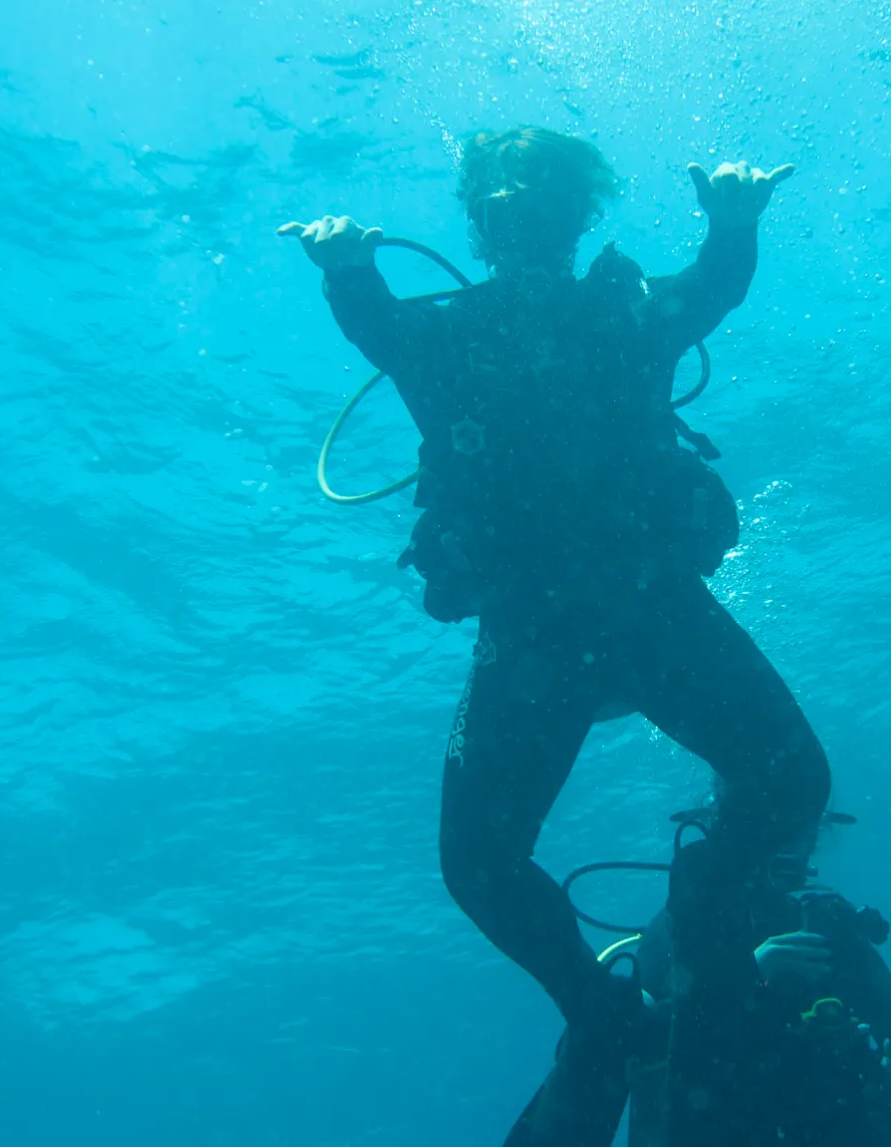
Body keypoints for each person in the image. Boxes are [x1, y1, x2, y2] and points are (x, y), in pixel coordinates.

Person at [282, 129, 829, 1059]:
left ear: (580, 217)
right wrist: (343, 268)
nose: (524, 214)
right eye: (506, 199)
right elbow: (711, 286)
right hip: (548, 638)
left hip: (633, 617)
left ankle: (693, 923)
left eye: (545, 199)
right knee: (479, 865)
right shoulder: (462, 334)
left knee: (793, 785)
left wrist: (735, 227)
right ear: (484, 221)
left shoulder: (612, 315)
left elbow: (710, 287)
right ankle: (605, 1015)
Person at [507, 809, 891, 1147]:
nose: (792, 848)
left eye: (803, 834)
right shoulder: (681, 928)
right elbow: (632, 1038)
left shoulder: (829, 922)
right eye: (778, 832)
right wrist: (746, 973)